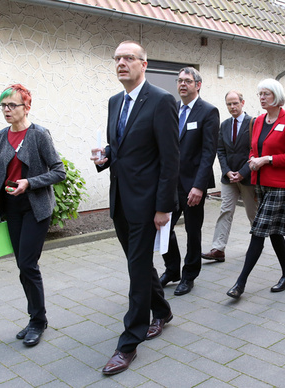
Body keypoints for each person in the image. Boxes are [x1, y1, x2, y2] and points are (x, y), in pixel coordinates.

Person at [92, 41, 179, 375]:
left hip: (147, 205)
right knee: (138, 263)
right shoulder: (115, 101)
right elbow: (121, 146)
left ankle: (129, 342)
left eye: (128, 58)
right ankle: (163, 310)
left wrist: (163, 208)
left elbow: (170, 159)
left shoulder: (161, 100)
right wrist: (106, 156)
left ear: (144, 64)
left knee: (136, 269)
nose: (121, 63)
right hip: (120, 201)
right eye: (116, 58)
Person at [0, 84, 66, 347]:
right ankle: (34, 317)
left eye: (12, 105)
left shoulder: (39, 134)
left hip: (35, 207)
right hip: (12, 209)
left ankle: (38, 321)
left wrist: (29, 182)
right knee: (23, 266)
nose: (6, 110)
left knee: (29, 264)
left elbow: (59, 171)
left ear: (26, 107)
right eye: (3, 106)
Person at [226, 79, 285, 298]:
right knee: (275, 232)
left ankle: (240, 284)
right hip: (261, 182)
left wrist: (267, 159)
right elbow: (253, 149)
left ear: (276, 96)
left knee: (258, 231)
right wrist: (253, 160)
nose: (261, 98)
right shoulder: (258, 121)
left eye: (266, 94)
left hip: (280, 185)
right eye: (259, 94)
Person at [160, 67, 220, 296]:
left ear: (198, 85)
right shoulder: (172, 108)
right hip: (169, 183)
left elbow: (208, 153)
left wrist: (199, 186)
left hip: (193, 184)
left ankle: (189, 274)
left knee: (193, 231)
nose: (182, 84)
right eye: (180, 81)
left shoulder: (208, 111)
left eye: (187, 81)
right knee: (163, 227)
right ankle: (172, 269)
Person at [201, 90, 257, 262]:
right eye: (229, 104)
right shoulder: (224, 125)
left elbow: (255, 151)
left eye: (235, 103)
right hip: (228, 178)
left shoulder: (253, 123)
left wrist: (242, 173)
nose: (232, 107)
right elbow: (220, 150)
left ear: (243, 102)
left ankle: (256, 246)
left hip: (247, 178)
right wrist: (226, 171)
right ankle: (218, 249)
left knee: (252, 213)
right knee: (225, 211)